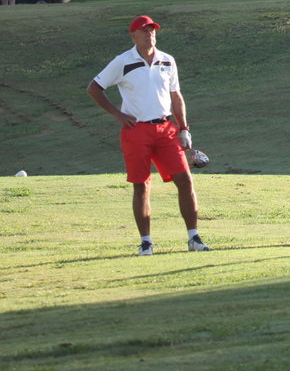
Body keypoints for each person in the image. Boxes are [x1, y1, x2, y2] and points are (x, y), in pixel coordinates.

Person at [86, 14, 210, 255]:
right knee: (141, 185)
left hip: (165, 129)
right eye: (144, 30)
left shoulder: (167, 61)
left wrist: (183, 128)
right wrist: (118, 115)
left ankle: (193, 238)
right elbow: (94, 88)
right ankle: (146, 242)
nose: (149, 34)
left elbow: (176, 96)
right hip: (136, 130)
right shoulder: (123, 61)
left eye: (152, 30)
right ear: (133, 35)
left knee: (184, 180)